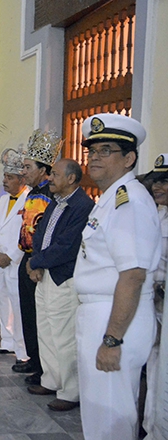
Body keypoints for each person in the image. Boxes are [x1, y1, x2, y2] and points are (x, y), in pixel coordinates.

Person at [74, 113, 159, 440]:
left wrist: (112, 340)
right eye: (92, 150)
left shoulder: (129, 202)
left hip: (114, 318)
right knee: (99, 411)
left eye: (106, 150)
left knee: (110, 416)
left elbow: (133, 275)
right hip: (101, 312)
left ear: (129, 159)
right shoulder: (110, 199)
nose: (94, 157)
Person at [25, 159, 94, 411]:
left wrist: (36, 261)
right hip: (45, 274)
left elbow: (68, 245)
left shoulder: (82, 206)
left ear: (71, 179)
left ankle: (71, 391)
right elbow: (40, 233)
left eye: (54, 174)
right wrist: (36, 262)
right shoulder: (55, 201)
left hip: (63, 276)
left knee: (64, 337)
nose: (50, 178)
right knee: (45, 331)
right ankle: (51, 380)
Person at [13, 130, 62, 384]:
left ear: (44, 170)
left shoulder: (50, 196)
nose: (23, 172)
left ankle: (44, 366)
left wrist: (37, 262)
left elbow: (44, 233)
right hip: (27, 257)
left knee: (38, 315)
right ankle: (33, 358)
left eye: (28, 167)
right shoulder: (32, 193)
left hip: (38, 261)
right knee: (27, 312)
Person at [0, 147, 30, 362]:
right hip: (0, 259)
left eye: (10, 177)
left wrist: (11, 255)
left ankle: (22, 350)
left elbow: (28, 232)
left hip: (16, 260)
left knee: (18, 304)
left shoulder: (30, 199)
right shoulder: (4, 200)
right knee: (3, 301)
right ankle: (7, 341)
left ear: (22, 180)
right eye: (4, 176)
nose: (5, 181)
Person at [139, 154, 168, 438]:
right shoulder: (156, 214)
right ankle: (151, 428)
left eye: (165, 181)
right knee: (154, 365)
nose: (158, 187)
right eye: (156, 181)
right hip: (152, 303)